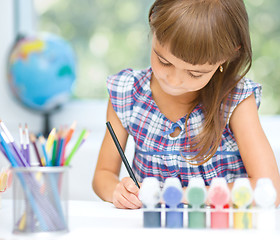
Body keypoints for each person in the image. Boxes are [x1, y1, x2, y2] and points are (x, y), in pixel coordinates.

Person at [92, 0, 280, 209]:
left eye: (195, 73)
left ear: (227, 55)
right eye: (164, 61)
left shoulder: (235, 100)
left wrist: (178, 195)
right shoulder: (127, 92)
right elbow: (103, 175)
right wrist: (117, 191)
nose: (173, 80)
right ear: (153, 24)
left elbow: (269, 188)